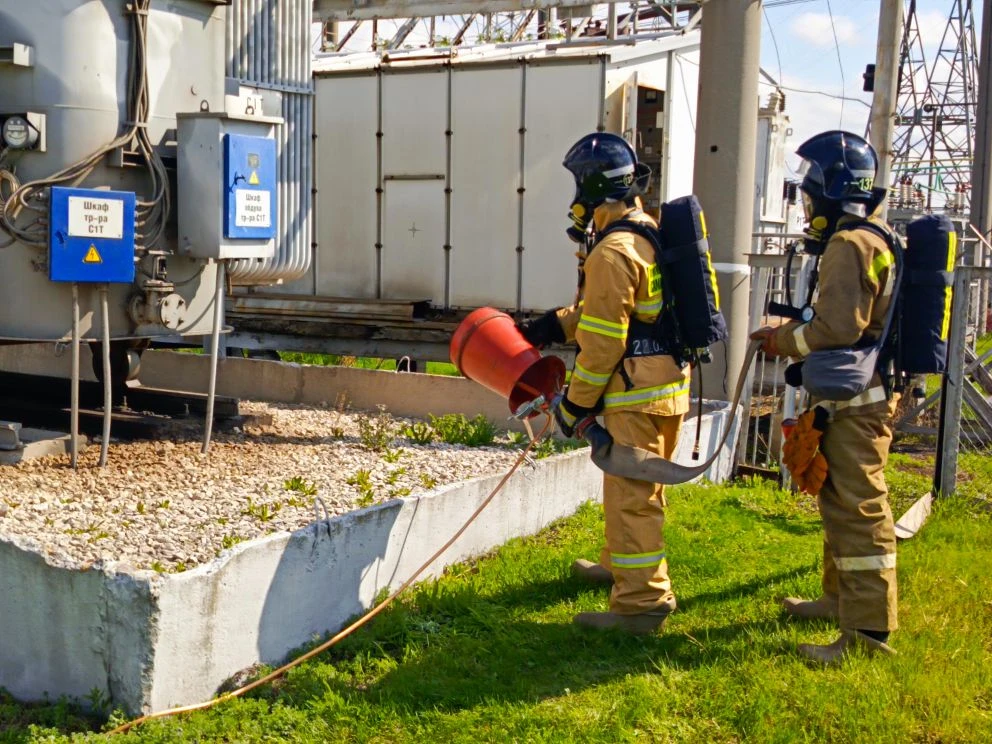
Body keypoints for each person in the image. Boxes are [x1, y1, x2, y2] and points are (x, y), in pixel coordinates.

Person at [518, 132, 691, 635]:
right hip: (662, 384)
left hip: (635, 393)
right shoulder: (643, 234)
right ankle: (620, 566)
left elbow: (602, 346)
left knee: (634, 496)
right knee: (628, 487)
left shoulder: (611, 252)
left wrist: (573, 406)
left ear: (592, 188)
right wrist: (552, 325)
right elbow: (620, 313)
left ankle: (642, 605)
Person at [750, 130, 899, 664]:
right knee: (838, 500)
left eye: (811, 194)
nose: (807, 206)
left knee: (858, 509)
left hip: (859, 402)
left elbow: (836, 327)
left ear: (833, 191)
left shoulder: (848, 243)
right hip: (862, 393)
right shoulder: (874, 236)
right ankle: (838, 599)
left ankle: (867, 634)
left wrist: (779, 340)